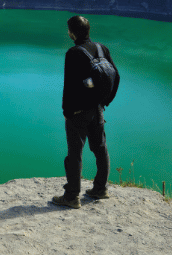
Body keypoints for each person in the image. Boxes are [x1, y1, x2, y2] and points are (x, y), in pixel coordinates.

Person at [52, 15, 120, 209]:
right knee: (100, 149)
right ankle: (100, 189)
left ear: (72, 33)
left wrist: (67, 111)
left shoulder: (74, 53)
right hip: (97, 109)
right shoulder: (101, 48)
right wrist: (105, 101)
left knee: (75, 154)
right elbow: (116, 76)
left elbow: (69, 86)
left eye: (68, 30)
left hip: (78, 112)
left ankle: (72, 196)